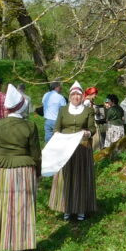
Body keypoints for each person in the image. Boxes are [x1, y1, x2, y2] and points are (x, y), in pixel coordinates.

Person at [0, 85, 42, 251]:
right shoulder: (30, 126)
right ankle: (20, 248)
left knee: (3, 207)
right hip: (24, 170)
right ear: (22, 107)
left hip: (3, 170)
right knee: (22, 207)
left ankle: (4, 241)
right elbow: (36, 154)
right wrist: (38, 172)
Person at [48, 82, 98, 221]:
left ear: (82, 96)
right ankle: (67, 207)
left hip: (82, 148)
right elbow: (57, 128)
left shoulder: (88, 111)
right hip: (65, 148)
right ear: (70, 96)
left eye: (78, 94)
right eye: (73, 94)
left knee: (81, 178)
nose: (76, 97)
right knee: (66, 177)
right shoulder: (63, 110)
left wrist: (88, 133)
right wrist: (58, 136)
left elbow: (92, 128)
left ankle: (81, 208)